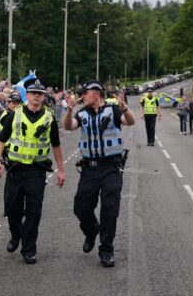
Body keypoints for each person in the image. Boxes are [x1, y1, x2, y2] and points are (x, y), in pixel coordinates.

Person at [62, 80, 135, 268]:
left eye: (84, 93)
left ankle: (106, 250)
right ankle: (91, 230)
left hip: (111, 167)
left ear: (96, 93)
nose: (82, 96)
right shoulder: (82, 113)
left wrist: (125, 108)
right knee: (81, 207)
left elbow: (131, 121)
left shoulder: (113, 110)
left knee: (110, 209)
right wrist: (69, 110)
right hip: (90, 169)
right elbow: (68, 126)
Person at [0, 78, 65, 265]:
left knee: (34, 211)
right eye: (33, 93)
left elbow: (56, 146)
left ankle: (29, 248)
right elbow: (1, 140)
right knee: (12, 208)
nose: (36, 97)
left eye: (40, 94)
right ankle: (16, 234)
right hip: (15, 170)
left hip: (36, 171)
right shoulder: (14, 115)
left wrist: (61, 170)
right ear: (28, 95)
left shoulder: (49, 119)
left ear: (43, 97)